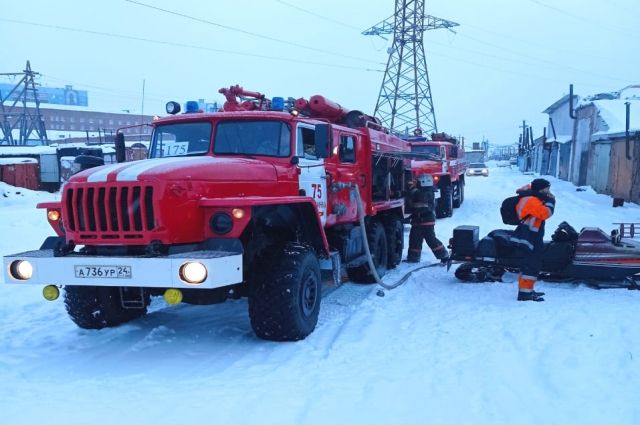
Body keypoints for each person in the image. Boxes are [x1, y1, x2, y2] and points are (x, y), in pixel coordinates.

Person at [509, 178, 555, 302]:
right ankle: (524, 294)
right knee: (530, 265)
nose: (548, 191)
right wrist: (551, 201)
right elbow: (545, 213)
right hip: (528, 236)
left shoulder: (534, 198)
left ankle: (528, 290)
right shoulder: (530, 200)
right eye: (547, 189)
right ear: (541, 189)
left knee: (532, 264)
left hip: (533, 236)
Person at [406, 174, 449, 263]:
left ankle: (443, 255)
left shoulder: (427, 192)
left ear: (424, 183)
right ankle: (413, 258)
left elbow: (418, 196)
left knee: (431, 239)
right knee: (414, 239)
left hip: (426, 221)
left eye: (418, 183)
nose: (416, 184)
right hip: (417, 220)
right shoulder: (423, 191)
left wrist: (410, 187)